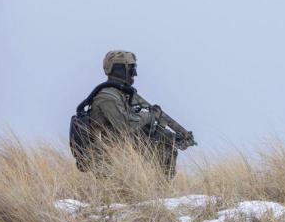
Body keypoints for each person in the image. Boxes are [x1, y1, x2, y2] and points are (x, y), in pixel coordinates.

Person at [69, 50, 196, 178]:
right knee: (160, 149)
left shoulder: (121, 94)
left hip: (120, 151)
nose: (134, 74)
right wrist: (150, 115)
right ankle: (156, 190)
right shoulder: (107, 97)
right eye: (130, 69)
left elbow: (138, 127)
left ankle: (161, 190)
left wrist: (173, 138)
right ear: (119, 69)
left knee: (165, 145)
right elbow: (126, 126)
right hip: (107, 157)